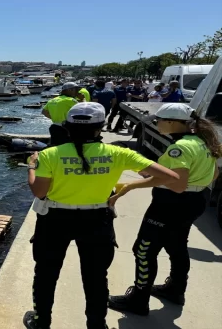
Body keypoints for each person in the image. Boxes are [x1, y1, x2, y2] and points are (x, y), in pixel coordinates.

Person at [23, 102, 179, 329]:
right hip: (97, 219)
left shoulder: (48, 155)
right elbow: (171, 178)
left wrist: (31, 166)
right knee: (96, 277)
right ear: (100, 127)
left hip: (55, 220)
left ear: (67, 127)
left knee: (46, 274)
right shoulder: (118, 153)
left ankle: (41, 321)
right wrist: (129, 187)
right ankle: (97, 325)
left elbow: (39, 191)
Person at [108, 103, 221, 315]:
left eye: (159, 120)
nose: (157, 124)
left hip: (170, 205)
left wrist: (132, 185)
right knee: (177, 244)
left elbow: (177, 184)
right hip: (195, 201)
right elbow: (213, 175)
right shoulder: (204, 142)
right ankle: (176, 289)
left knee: (143, 250)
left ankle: (138, 300)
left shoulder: (181, 148)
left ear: (172, 122)